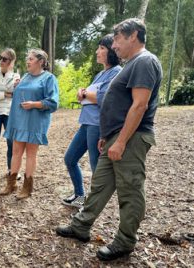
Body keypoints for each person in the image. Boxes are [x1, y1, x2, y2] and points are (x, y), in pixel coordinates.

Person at [56, 18, 162, 261]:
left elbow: (139, 105)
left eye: (116, 38)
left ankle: (125, 242)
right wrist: (107, 136)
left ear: (133, 35)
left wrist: (122, 140)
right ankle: (81, 226)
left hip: (132, 138)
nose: (113, 45)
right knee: (100, 185)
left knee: (130, 190)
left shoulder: (145, 61)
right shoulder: (131, 64)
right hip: (115, 137)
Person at [61, 34, 122, 208]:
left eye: (102, 48)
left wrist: (86, 93)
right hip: (86, 123)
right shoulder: (100, 74)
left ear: (111, 51)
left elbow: (105, 97)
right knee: (70, 159)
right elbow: (90, 95)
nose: (98, 51)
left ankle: (93, 207)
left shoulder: (116, 72)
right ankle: (80, 196)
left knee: (96, 168)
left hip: (97, 125)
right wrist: (83, 93)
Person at [0, 49, 59, 199]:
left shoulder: (49, 78)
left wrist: (35, 104)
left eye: (31, 59)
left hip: (35, 121)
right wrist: (17, 86)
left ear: (40, 62)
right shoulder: (25, 77)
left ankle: (27, 188)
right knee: (16, 152)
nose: (28, 61)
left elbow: (53, 103)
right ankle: (11, 184)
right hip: (19, 119)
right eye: (28, 59)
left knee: (31, 154)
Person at [0, 48, 21, 183]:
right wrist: (6, 94)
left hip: (9, 113)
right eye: (0, 58)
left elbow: (16, 93)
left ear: (11, 61)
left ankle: (11, 169)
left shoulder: (16, 76)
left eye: (5, 59)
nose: (1, 61)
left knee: (11, 142)